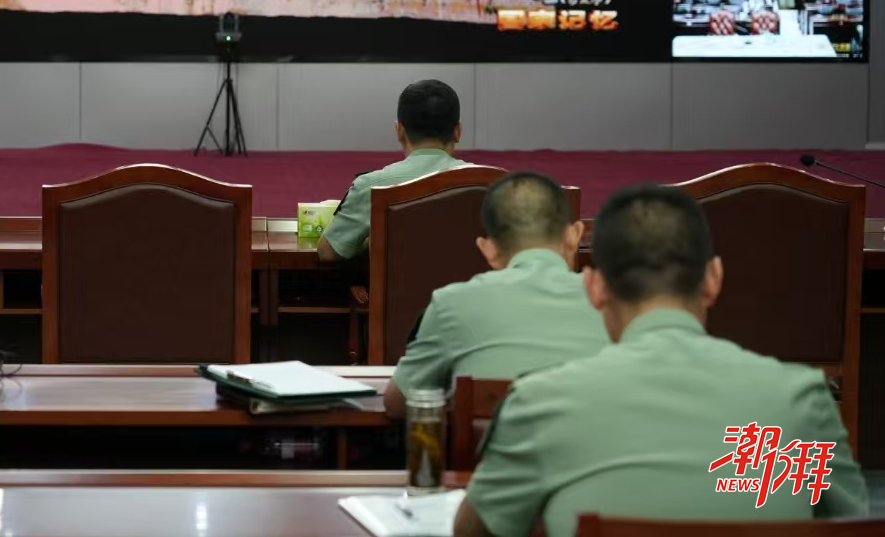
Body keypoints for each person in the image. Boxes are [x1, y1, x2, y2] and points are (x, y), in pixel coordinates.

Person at [453, 185, 867, 537]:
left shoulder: (540, 402)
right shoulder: (800, 400)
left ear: (594, 288)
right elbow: (851, 526)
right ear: (713, 278)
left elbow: (476, 531)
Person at [383, 172, 607, 419]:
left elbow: (397, 403)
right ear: (575, 235)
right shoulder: (616, 303)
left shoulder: (452, 304)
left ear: (488, 250)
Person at [317, 80, 466, 262]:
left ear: (399, 131)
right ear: (458, 132)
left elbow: (328, 252)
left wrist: (373, 240)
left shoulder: (372, 187)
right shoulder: (491, 185)